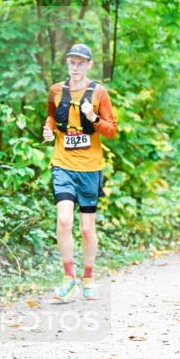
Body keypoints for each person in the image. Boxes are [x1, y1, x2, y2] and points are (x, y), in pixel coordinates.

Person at [42, 43, 118, 302]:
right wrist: (48, 129)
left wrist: (93, 118)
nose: (75, 67)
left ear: (89, 65)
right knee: (64, 220)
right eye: (71, 62)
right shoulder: (56, 90)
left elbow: (111, 130)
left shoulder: (98, 92)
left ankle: (88, 277)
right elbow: (51, 117)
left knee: (87, 228)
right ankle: (68, 277)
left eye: (80, 63)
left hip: (90, 168)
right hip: (62, 163)